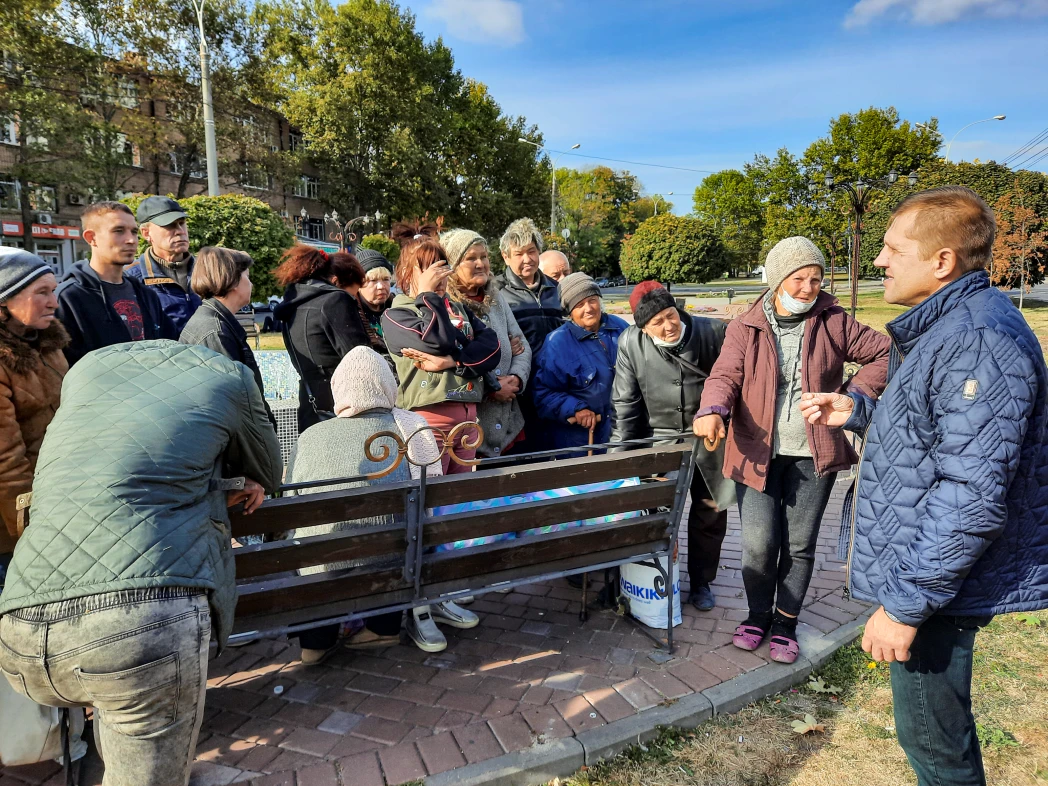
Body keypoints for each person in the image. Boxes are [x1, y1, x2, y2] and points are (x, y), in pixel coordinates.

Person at [800, 186, 1048, 786]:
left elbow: (971, 491)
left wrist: (906, 605)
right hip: (932, 575)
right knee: (932, 735)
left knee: (935, 746)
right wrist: (859, 414)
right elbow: (941, 434)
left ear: (941, 262)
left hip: (937, 586)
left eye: (890, 248)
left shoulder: (976, 339)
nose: (878, 261)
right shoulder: (950, 328)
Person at [0, 340, 281, 786]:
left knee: (116, 724)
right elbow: (269, 467)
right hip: (141, 626)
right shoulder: (231, 378)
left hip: (22, 629)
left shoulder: (86, 372)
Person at [693, 237, 890, 663]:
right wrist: (713, 410)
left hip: (813, 455)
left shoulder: (834, 320)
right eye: (799, 278)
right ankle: (757, 615)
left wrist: (852, 395)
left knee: (799, 545)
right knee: (759, 545)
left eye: (816, 279)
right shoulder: (746, 325)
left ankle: (785, 622)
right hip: (755, 452)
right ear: (777, 277)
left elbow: (887, 354)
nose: (807, 287)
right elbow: (725, 374)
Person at [288, 347, 478, 661]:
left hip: (321, 567)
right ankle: (382, 629)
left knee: (310, 544)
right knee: (406, 537)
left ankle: (316, 643)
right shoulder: (413, 425)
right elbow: (432, 496)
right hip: (394, 562)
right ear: (389, 385)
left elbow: (291, 505)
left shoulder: (310, 436)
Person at [611, 281, 734, 612]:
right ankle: (660, 577)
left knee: (711, 511)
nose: (668, 326)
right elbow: (625, 406)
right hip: (661, 439)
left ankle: (702, 582)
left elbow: (735, 382)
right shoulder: (630, 344)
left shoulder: (713, 332)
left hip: (711, 437)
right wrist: (617, 464)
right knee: (660, 511)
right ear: (643, 327)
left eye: (670, 315)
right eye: (656, 323)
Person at [381, 229, 501, 474]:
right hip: (428, 421)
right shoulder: (396, 314)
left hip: (468, 419)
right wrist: (426, 295)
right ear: (407, 274)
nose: (439, 277)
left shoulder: (458, 308)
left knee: (460, 501)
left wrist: (451, 362)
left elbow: (492, 347)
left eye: (442, 268)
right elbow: (437, 340)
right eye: (428, 269)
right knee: (432, 499)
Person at [0, 250, 68, 565]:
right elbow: (6, 464)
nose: (53, 302)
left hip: (61, 505)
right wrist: (32, 537)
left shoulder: (49, 345)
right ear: (4, 301)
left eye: (53, 290)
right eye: (41, 292)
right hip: (17, 531)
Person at [443, 228, 532, 458]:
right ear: (452, 265)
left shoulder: (495, 297)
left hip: (511, 427)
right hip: (469, 436)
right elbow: (454, 361)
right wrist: (491, 388)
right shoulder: (446, 305)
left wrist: (516, 378)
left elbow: (522, 345)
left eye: (483, 257)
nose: (480, 263)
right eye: (470, 258)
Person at [56, 201, 177, 366]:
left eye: (134, 232)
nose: (131, 240)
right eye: (118, 231)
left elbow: (171, 348)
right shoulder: (68, 298)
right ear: (91, 238)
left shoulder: (146, 294)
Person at [273, 244, 370, 432]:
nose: (355, 299)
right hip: (344, 407)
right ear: (335, 281)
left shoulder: (292, 305)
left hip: (310, 405)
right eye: (353, 292)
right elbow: (361, 359)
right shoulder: (335, 300)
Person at [179, 246, 274, 425]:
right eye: (248, 276)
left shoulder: (216, 322)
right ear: (233, 281)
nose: (251, 284)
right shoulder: (215, 332)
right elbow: (235, 403)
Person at [533, 273, 627, 450]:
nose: (589, 308)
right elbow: (543, 393)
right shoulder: (557, 343)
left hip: (624, 434)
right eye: (579, 304)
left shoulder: (621, 328)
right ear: (569, 311)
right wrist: (576, 409)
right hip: (582, 441)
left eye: (592, 300)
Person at [494, 218, 564, 450]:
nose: (527, 259)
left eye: (532, 251)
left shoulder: (557, 289)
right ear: (505, 257)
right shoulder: (495, 291)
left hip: (558, 387)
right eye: (519, 254)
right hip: (520, 391)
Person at [126, 195, 201, 333]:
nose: (180, 231)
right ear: (146, 233)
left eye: (182, 223)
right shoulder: (131, 279)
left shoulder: (207, 270)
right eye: (169, 225)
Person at [354, 248, 395, 359]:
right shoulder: (351, 314)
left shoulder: (398, 308)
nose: (381, 286)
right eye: (372, 280)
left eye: (385, 279)